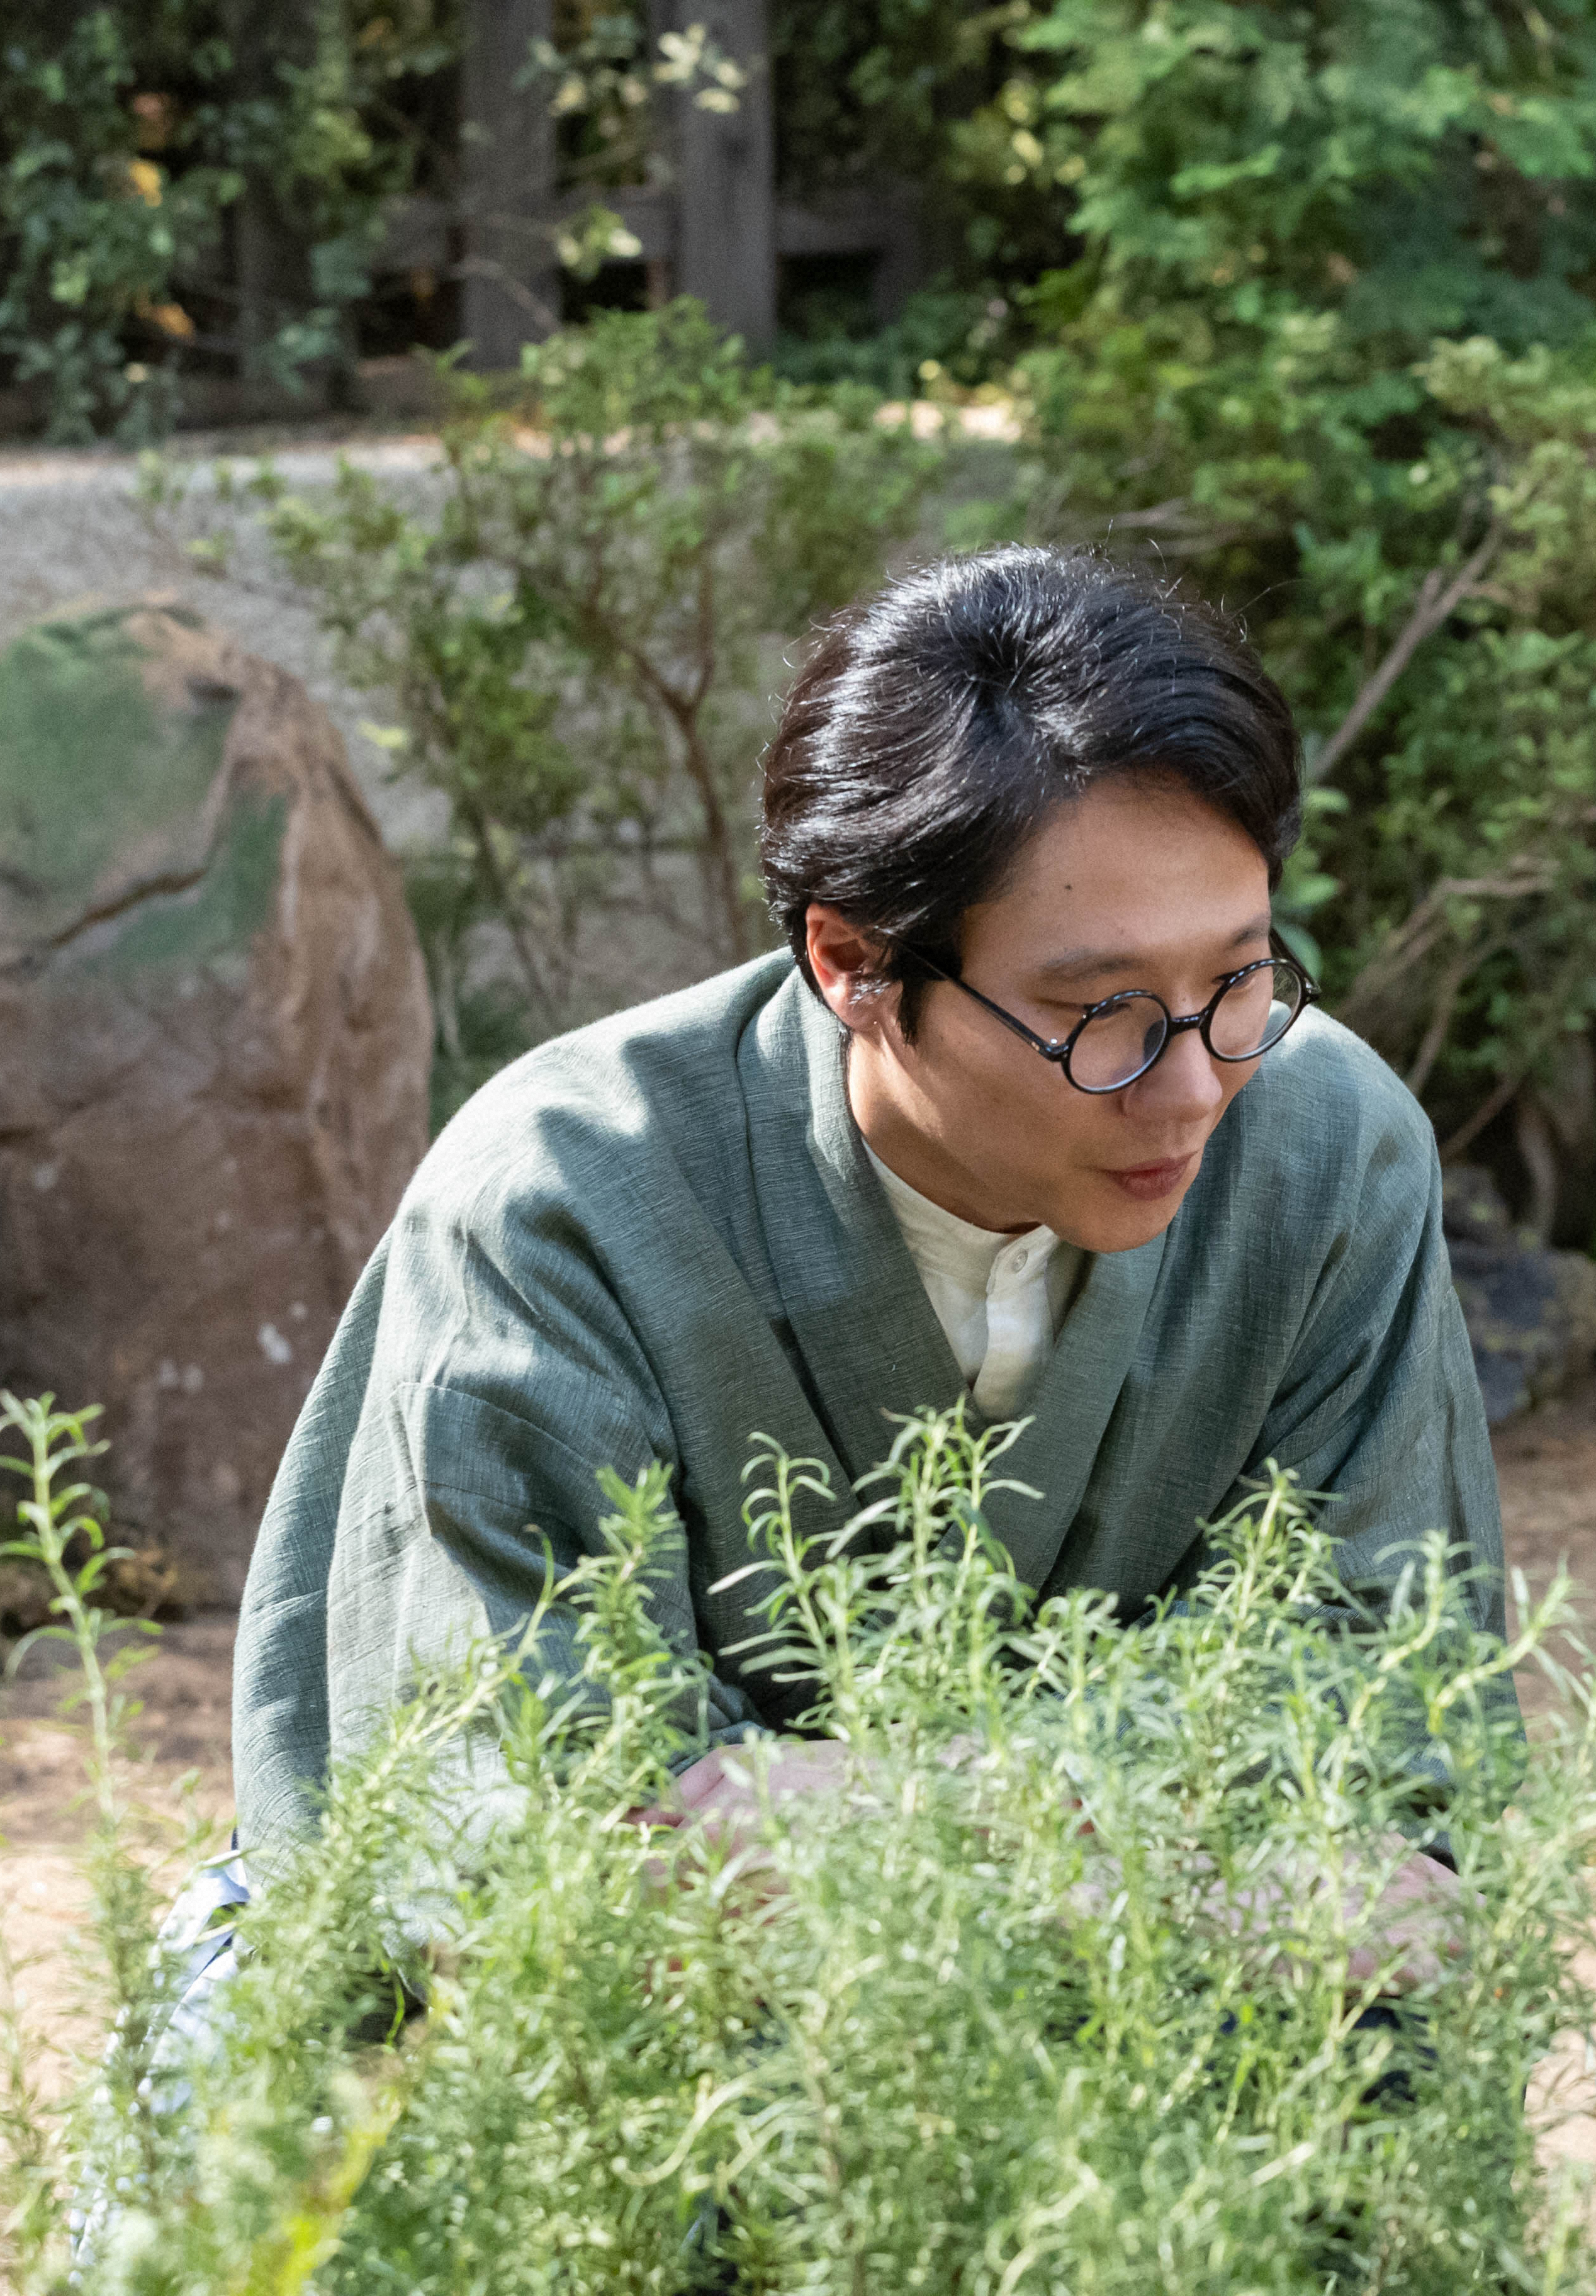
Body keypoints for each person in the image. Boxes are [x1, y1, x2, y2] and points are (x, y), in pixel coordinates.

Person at [231, 546, 1500, 1886]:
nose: (1193, 1087)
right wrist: (1158, 1829)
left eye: (1240, 979)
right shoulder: (561, 1202)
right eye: (1100, 1014)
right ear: (854, 963)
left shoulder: (1325, 1147)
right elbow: (541, 1826)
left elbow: (1382, 1735)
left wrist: (854, 1807)